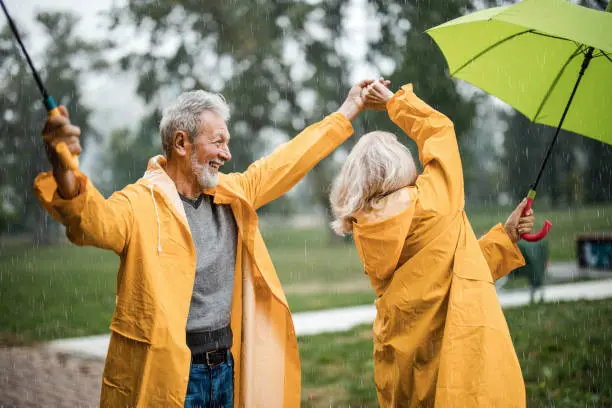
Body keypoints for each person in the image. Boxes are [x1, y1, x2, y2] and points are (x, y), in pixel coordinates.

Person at [34, 79, 384, 407]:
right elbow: (92, 223)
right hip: (173, 374)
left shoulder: (233, 194)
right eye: (218, 142)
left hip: (225, 367)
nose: (227, 154)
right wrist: (63, 166)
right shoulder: (139, 204)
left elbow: (290, 160)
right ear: (182, 143)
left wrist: (348, 109)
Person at [329, 81, 534, 407]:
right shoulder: (434, 200)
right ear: (399, 164)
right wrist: (394, 102)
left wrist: (505, 237)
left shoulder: (365, 225)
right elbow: (439, 130)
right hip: (464, 370)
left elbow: (447, 273)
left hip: (410, 379)